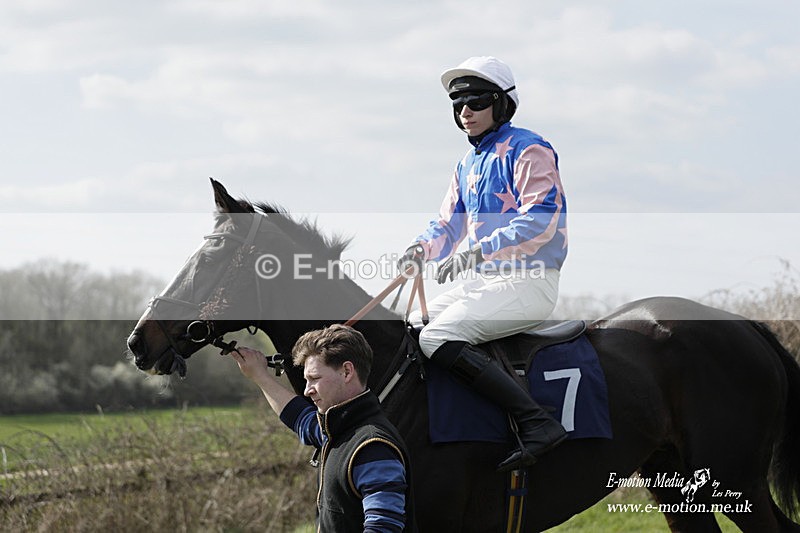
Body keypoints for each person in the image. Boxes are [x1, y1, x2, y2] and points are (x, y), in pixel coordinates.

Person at [398, 56, 568, 472]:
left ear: (501, 103)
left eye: (476, 102)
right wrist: (421, 249)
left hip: (530, 281)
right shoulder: (467, 164)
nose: (465, 112)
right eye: (458, 104)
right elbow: (447, 225)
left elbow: (541, 219)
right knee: (411, 327)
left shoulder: (529, 149)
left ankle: (537, 422)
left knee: (437, 337)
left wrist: (477, 252)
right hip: (486, 283)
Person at [230, 324, 415, 532]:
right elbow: (301, 419)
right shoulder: (339, 431)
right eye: (306, 380)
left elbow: (383, 527)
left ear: (347, 372)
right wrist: (259, 376)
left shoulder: (372, 447)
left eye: (315, 378)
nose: (307, 390)